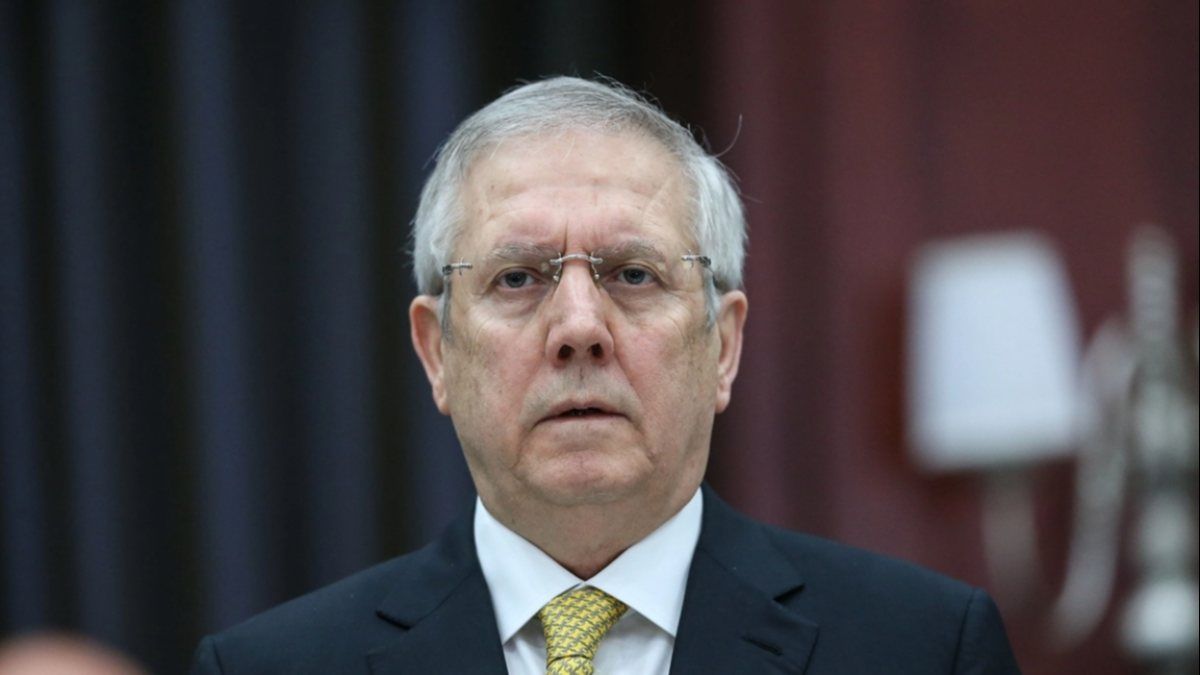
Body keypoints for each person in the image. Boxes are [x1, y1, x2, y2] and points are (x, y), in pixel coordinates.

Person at [190, 76, 1020, 674]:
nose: (579, 328)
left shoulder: (924, 648)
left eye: (633, 273)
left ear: (723, 346)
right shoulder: (269, 666)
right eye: (518, 277)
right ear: (437, 351)